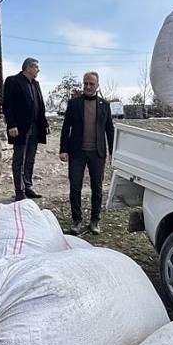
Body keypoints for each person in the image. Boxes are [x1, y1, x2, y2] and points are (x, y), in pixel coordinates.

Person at [59, 71, 115, 235]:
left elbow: (109, 130)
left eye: (91, 84)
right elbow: (65, 128)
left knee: (97, 188)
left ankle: (94, 220)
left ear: (97, 85)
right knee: (75, 187)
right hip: (77, 153)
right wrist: (63, 149)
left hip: (97, 154)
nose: (88, 86)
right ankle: (76, 220)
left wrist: (113, 152)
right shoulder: (74, 104)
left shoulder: (105, 105)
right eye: (86, 83)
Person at [2, 57, 49, 200]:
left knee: (30, 159)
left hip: (35, 127)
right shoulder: (13, 81)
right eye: (36, 67)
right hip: (20, 127)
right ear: (28, 67)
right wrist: (11, 124)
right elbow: (7, 105)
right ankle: (19, 191)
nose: (38, 70)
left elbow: (40, 106)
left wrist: (45, 124)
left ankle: (28, 186)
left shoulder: (36, 84)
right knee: (19, 160)